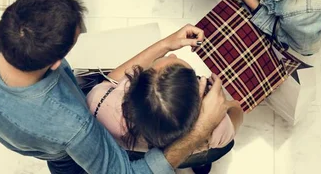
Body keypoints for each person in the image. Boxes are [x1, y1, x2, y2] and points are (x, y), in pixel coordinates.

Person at [0, 0, 233, 174]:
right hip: (66, 160)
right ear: (57, 62)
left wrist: (165, 45)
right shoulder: (74, 125)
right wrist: (200, 132)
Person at [87, 26, 244, 173]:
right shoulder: (217, 126)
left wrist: (165, 45)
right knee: (214, 151)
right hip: (198, 152)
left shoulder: (98, 104)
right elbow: (237, 112)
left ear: (132, 87)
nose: (173, 54)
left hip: (135, 152)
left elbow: (111, 80)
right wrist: (225, 104)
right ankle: (201, 164)